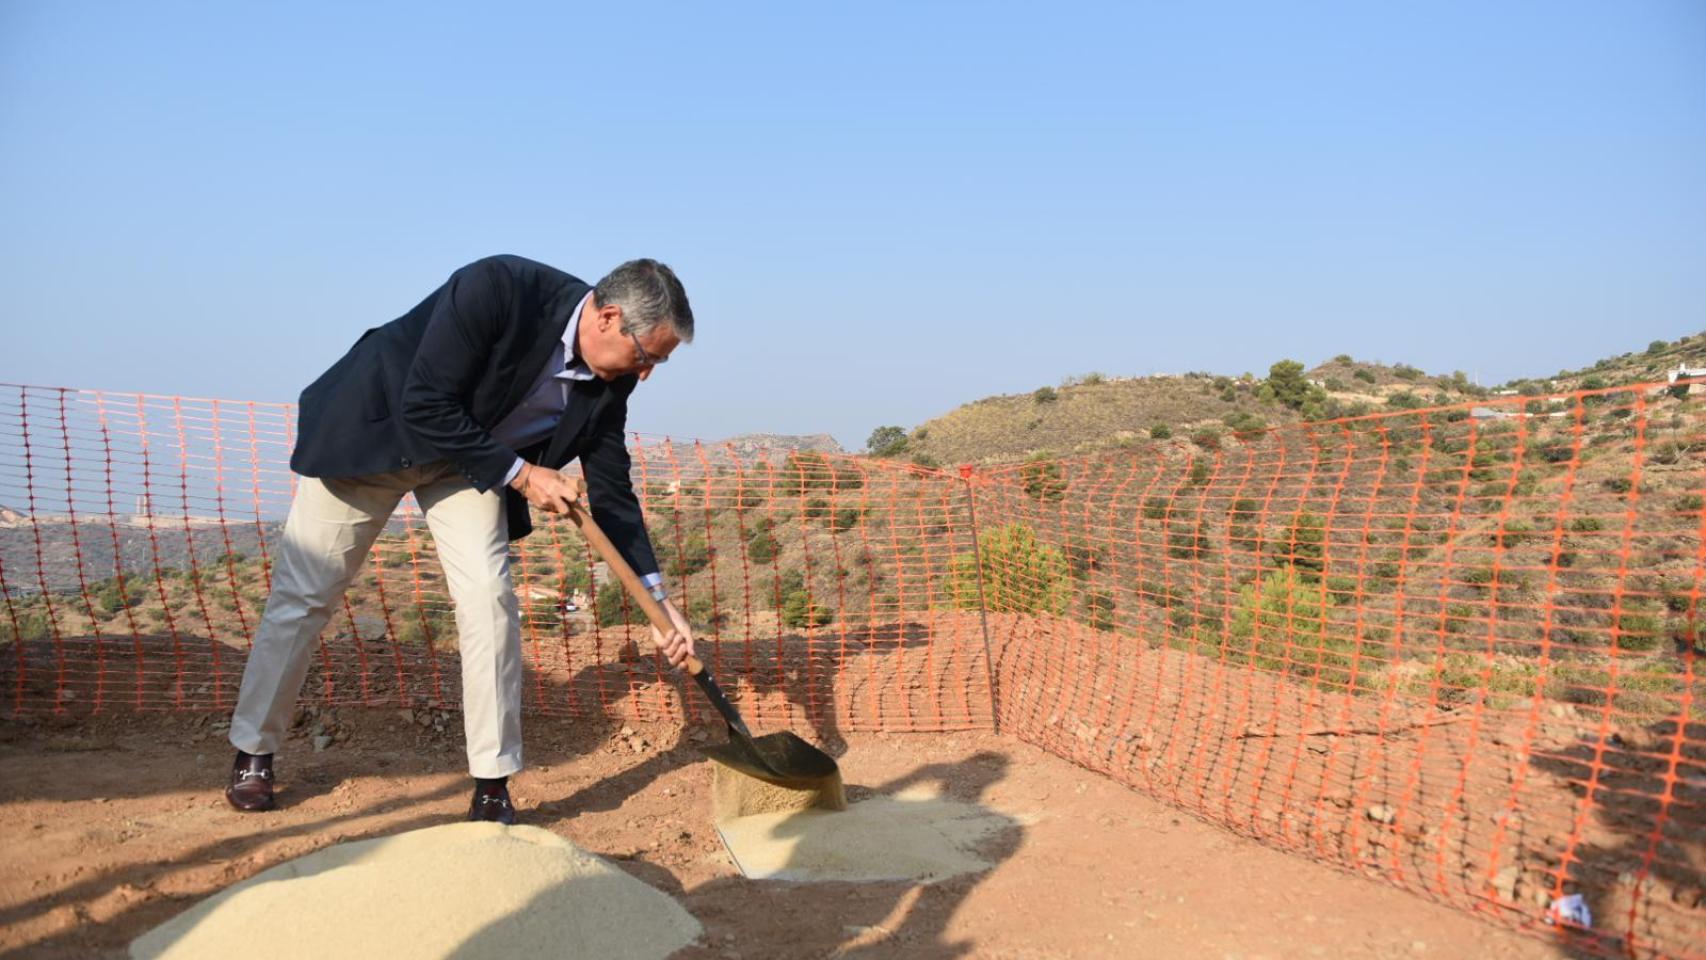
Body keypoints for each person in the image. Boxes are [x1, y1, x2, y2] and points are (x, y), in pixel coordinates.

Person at [223, 254, 696, 824]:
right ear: (607, 318)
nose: (645, 374)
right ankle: (255, 750)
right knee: (306, 595)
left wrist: (660, 604)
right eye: (647, 356)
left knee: (491, 602)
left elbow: (613, 490)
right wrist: (524, 475)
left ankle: (492, 782)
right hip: (378, 434)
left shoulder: (610, 379)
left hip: (466, 464)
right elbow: (425, 403)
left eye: (657, 364)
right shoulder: (498, 289)